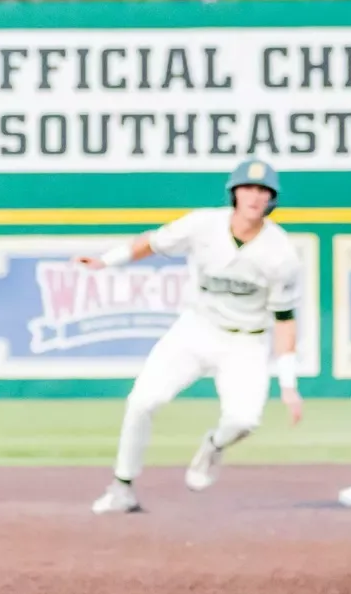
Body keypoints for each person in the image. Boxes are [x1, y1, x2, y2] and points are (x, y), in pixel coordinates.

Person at [75, 158, 305, 514]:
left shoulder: (281, 253)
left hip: (246, 341)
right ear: (234, 192)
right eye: (248, 188)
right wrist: (108, 260)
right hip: (197, 329)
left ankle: (213, 446)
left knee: (244, 421)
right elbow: (152, 242)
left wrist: (289, 385)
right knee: (141, 402)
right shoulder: (203, 225)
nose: (255, 196)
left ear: (272, 200)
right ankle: (122, 487)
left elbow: (285, 319)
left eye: (263, 190)